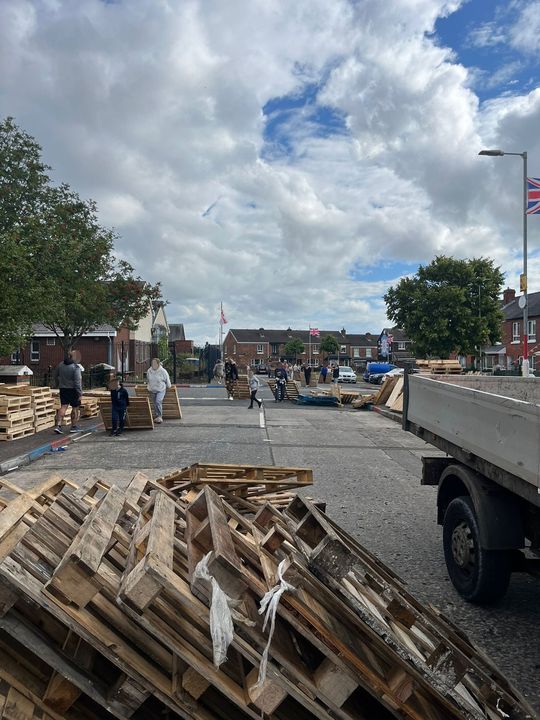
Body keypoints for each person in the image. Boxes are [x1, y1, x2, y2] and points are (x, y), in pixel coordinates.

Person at [53, 352, 83, 434]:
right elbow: (77, 382)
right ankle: (73, 426)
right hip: (73, 390)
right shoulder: (76, 367)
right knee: (75, 408)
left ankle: (58, 426)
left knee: (63, 407)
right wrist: (80, 393)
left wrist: (57, 384)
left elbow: (55, 375)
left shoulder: (60, 365)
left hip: (63, 389)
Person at [146, 358, 171, 423]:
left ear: (158, 364)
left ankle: (160, 416)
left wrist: (168, 386)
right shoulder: (149, 370)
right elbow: (148, 379)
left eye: (155, 363)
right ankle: (157, 416)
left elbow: (167, 379)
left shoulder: (163, 371)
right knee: (154, 403)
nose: (153, 364)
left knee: (158, 401)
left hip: (161, 389)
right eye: (152, 363)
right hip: (152, 389)